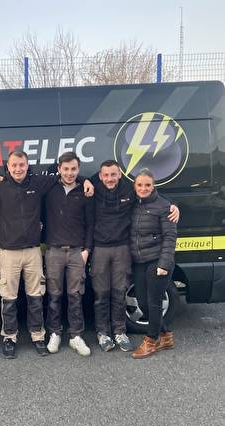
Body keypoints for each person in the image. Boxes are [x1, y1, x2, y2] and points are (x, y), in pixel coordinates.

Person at [0, 150, 93, 359]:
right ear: (7, 167)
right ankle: (9, 337)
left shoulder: (38, 183)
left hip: (33, 251)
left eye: (22, 164)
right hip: (8, 252)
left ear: (28, 166)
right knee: (8, 298)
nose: (18, 168)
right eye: (14, 165)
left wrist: (85, 180)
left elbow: (67, 174)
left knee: (36, 296)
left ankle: (38, 336)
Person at [90, 160, 179, 353]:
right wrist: (85, 180)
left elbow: (158, 199)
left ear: (120, 174)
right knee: (101, 294)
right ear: (100, 176)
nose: (110, 178)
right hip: (105, 250)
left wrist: (174, 205)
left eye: (113, 174)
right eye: (106, 175)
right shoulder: (94, 189)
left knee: (120, 293)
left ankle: (122, 333)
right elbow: (74, 181)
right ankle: (103, 333)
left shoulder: (130, 192)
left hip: (127, 250)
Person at [44, 152, 94, 356]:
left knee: (75, 296)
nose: (69, 173)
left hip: (76, 252)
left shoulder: (85, 191)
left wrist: (87, 250)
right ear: (59, 169)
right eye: (65, 169)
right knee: (54, 296)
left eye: (74, 169)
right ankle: (54, 333)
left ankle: (76, 336)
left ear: (78, 169)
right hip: (54, 250)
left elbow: (90, 223)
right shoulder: (49, 189)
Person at [129, 168, 177, 359]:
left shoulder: (164, 206)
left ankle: (151, 341)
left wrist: (164, 264)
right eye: (140, 185)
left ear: (153, 185)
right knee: (142, 302)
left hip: (157, 260)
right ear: (134, 186)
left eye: (147, 185)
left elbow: (170, 237)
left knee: (154, 302)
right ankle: (166, 336)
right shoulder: (133, 203)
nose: (143, 188)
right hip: (140, 261)